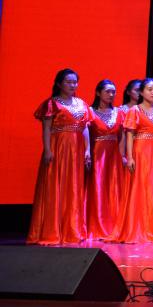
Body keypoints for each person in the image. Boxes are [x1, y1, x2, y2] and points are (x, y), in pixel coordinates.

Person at [28, 68, 91, 244]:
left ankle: (72, 229)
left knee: (73, 187)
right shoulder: (52, 103)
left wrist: (87, 150)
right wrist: (48, 149)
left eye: (75, 82)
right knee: (56, 185)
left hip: (77, 150)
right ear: (59, 84)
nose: (73, 85)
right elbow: (46, 128)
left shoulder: (81, 103)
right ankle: (53, 229)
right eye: (68, 82)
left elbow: (85, 128)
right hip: (59, 147)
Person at [111, 78, 153, 243]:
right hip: (140, 153)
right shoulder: (135, 110)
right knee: (140, 188)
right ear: (141, 92)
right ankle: (139, 227)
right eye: (149, 89)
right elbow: (130, 135)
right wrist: (130, 157)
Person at [87, 79, 126, 240]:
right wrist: (87, 154)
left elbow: (122, 136)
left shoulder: (119, 112)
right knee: (98, 187)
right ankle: (98, 225)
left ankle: (115, 225)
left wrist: (123, 155)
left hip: (114, 155)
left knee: (114, 188)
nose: (111, 95)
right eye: (107, 91)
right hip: (97, 154)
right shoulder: (90, 111)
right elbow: (85, 135)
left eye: (113, 92)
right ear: (98, 93)